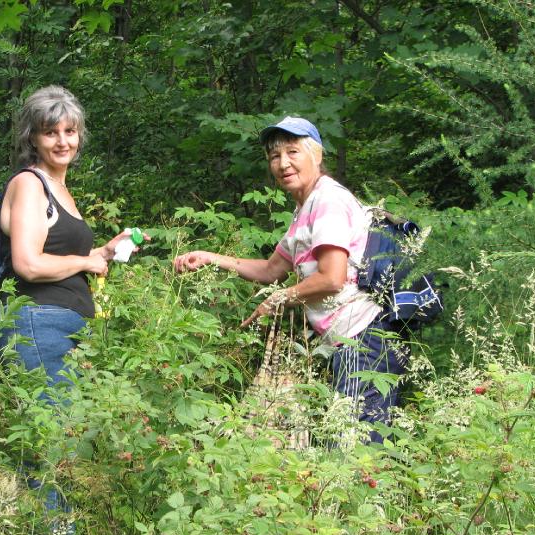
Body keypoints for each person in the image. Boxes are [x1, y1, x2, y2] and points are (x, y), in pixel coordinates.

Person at [173, 116, 407, 443]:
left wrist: (279, 298)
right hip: (348, 342)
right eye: (274, 156)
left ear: (317, 155)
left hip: (365, 339)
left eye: (293, 152)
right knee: (348, 443)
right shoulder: (306, 209)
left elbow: (332, 278)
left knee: (355, 450)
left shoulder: (328, 201)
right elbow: (271, 270)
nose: (283, 163)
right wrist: (210, 258)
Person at [0, 85, 130, 389]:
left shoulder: (58, 188)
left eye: (69, 131)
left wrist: (102, 254)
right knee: (52, 417)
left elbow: (57, 255)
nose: (62, 141)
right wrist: (85, 262)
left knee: (65, 417)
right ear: (32, 137)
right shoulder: (30, 184)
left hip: (59, 325)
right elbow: (29, 264)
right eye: (50, 133)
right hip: (37, 322)